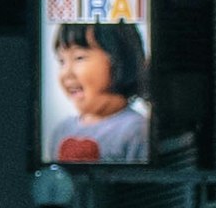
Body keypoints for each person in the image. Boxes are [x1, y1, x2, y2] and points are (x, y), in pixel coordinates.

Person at [49, 20, 150, 164]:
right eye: (61, 61)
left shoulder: (137, 131)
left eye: (79, 57)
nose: (67, 73)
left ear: (119, 59)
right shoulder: (62, 130)